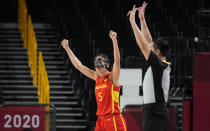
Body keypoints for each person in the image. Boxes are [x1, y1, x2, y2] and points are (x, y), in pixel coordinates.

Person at [61, 30, 127, 131]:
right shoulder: (96, 77)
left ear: (107, 65)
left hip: (113, 119)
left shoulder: (112, 78)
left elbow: (117, 61)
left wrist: (114, 40)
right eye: (97, 62)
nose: (98, 64)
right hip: (101, 120)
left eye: (101, 61)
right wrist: (67, 48)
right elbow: (79, 66)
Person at [127, 2, 171, 131]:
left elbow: (143, 45)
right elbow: (149, 42)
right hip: (156, 111)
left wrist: (132, 22)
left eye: (153, 48)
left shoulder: (159, 65)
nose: (150, 47)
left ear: (157, 52)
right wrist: (142, 19)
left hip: (155, 112)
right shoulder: (161, 62)